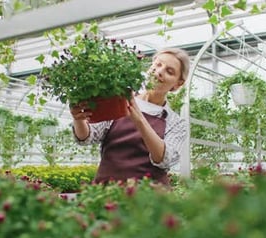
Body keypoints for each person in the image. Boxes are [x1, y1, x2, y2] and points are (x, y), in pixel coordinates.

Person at [70, 47, 190, 185]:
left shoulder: (176, 122)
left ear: (177, 84)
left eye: (169, 71)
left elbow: (164, 159)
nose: (160, 71)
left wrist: (139, 119)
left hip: (147, 200)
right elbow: (88, 137)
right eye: (158, 64)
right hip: (106, 194)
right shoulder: (118, 100)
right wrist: (78, 119)